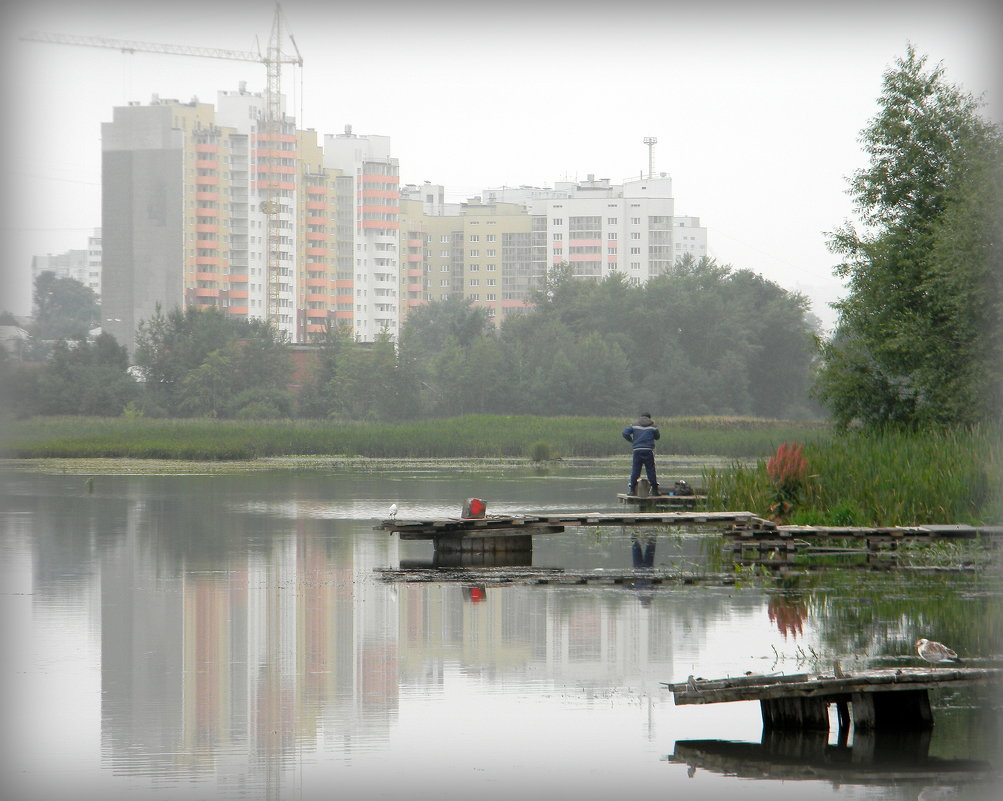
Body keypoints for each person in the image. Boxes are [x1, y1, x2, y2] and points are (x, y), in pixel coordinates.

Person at [622, 412, 660, 495]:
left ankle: (632, 490)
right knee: (650, 470)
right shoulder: (653, 426)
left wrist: (632, 441)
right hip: (648, 450)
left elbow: (624, 433)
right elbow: (657, 437)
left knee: (635, 470)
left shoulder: (634, 425)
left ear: (641, 417)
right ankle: (654, 491)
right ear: (649, 418)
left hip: (637, 450)